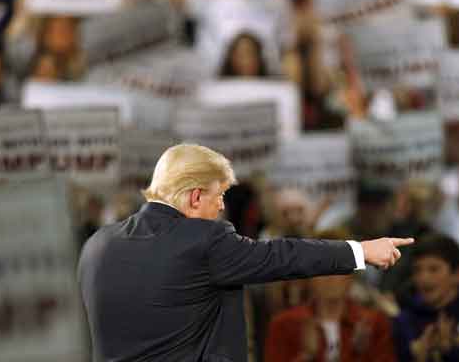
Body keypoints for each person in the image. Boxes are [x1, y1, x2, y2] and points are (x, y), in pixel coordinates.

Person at [78, 144, 414, 361]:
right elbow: (280, 256)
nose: (223, 208)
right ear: (195, 197)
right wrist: (360, 250)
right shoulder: (204, 238)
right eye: (220, 196)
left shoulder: (97, 245)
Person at [265, 229, 397, 362]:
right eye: (322, 267)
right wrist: (307, 356)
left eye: (338, 267)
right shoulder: (285, 325)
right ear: (309, 276)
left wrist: (359, 354)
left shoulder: (373, 323)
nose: (330, 277)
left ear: (352, 275)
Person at [393, 233, 459, 362]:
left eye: (434, 269)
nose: (424, 278)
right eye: (417, 270)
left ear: (456, 274)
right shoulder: (404, 321)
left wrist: (452, 352)